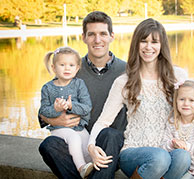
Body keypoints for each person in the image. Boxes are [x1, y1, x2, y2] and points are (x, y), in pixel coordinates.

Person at [88, 18, 191, 179]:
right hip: (133, 153)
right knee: (159, 158)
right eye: (143, 41)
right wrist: (91, 145)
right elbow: (103, 121)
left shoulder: (178, 76)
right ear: (136, 44)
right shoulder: (124, 82)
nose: (148, 47)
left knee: (183, 157)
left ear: (162, 45)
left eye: (154, 42)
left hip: (167, 149)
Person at [38, 11, 127, 179]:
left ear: (112, 36)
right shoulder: (71, 69)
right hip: (79, 142)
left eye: (102, 34)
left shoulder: (127, 71)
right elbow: (45, 108)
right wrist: (52, 120)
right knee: (49, 145)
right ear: (84, 37)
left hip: (110, 146)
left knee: (111, 134)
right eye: (91, 34)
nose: (97, 40)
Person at [38, 46, 94, 178]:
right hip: (59, 129)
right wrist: (55, 109)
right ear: (54, 68)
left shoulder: (79, 84)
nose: (67, 68)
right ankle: (81, 167)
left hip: (79, 127)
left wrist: (71, 106)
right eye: (62, 65)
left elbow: (87, 107)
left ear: (77, 68)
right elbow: (43, 111)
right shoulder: (47, 88)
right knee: (73, 138)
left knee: (88, 146)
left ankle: (89, 169)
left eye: (71, 65)